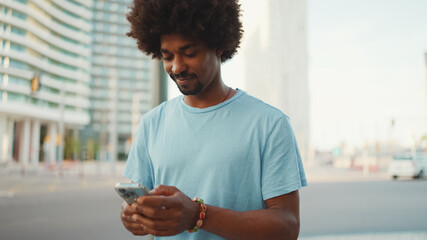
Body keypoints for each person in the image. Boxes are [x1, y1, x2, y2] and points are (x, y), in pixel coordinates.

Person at [120, 0, 307, 239]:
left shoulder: (270, 124)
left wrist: (197, 215)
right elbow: (138, 206)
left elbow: (287, 227)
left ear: (218, 46)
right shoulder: (151, 124)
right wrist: (130, 215)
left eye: (189, 53)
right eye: (167, 56)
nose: (177, 67)